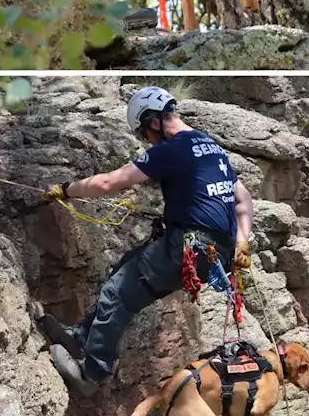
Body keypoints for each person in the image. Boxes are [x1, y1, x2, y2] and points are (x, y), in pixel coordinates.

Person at [41, 86, 255, 397]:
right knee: (127, 266)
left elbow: (108, 182)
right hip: (212, 251)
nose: (147, 140)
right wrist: (242, 242)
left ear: (153, 122)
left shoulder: (171, 149)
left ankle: (92, 372)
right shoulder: (210, 146)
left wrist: (66, 189)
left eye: (145, 133)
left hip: (189, 246)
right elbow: (243, 198)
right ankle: (83, 336)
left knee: (119, 294)